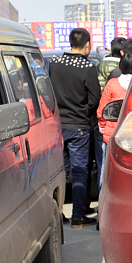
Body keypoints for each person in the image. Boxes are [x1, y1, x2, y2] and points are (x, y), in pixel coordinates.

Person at [49, 28, 100, 227]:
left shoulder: (55, 63)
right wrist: (82, 111)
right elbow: (94, 98)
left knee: (60, 171)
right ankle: (78, 216)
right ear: (87, 44)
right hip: (79, 126)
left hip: (58, 126)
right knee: (80, 172)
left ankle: (58, 213)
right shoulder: (87, 67)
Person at [97, 49, 132, 155]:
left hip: (113, 134)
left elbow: (102, 110)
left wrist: (103, 126)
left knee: (107, 169)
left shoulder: (112, 84)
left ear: (121, 66)